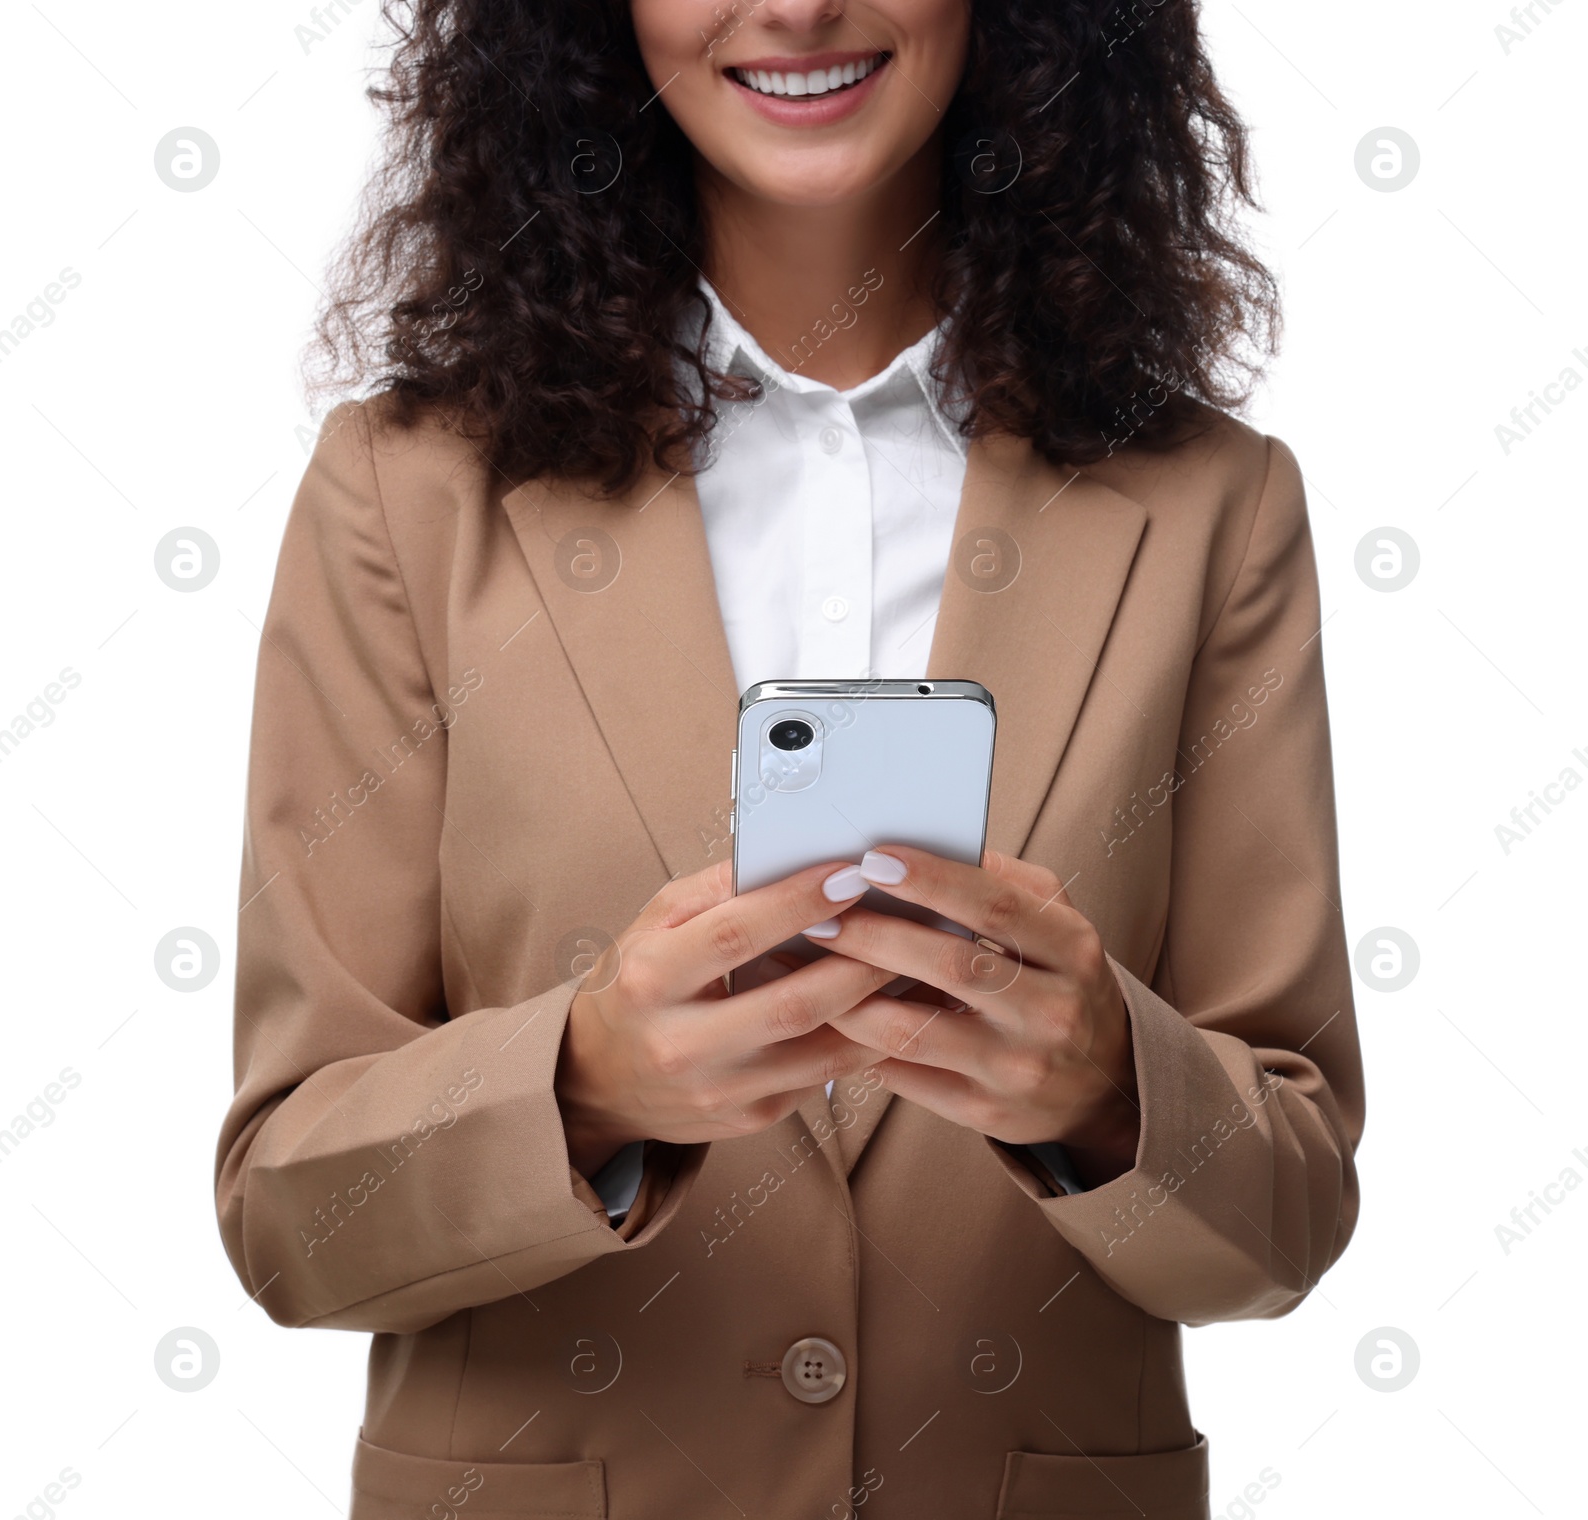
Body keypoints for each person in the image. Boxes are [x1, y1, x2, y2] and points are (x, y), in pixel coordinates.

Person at [216, 2, 1365, 1516]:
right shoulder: (405, 495)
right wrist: (584, 1087)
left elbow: (1287, 1221)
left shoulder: (1216, 505)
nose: (801, 7)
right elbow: (291, 1215)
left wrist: (1112, 1094)